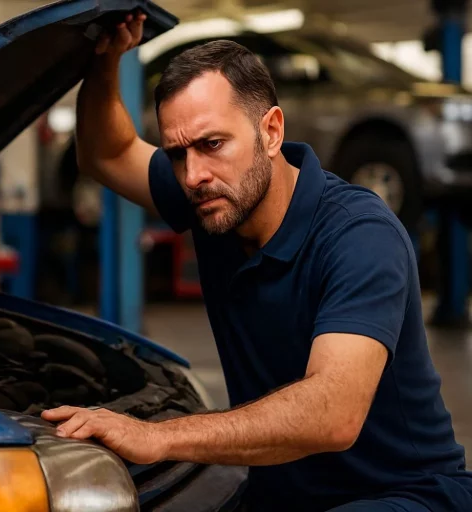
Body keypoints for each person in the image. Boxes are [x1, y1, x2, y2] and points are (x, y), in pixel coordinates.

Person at [40, 11, 472, 512]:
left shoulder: (360, 236)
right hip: (284, 496)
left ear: (271, 132)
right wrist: (106, 58)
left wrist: (158, 436)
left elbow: (333, 413)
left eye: (212, 144)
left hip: (406, 497)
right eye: (178, 153)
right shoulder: (214, 197)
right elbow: (107, 154)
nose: (193, 175)